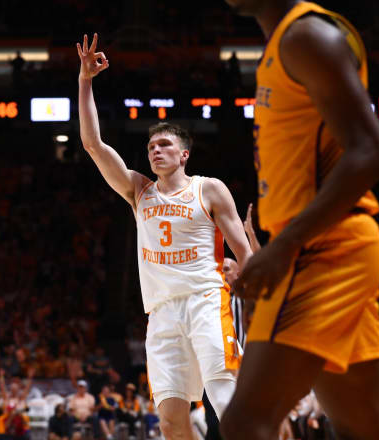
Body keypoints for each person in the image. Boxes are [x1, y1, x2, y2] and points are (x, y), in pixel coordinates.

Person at [220, 2, 379, 439]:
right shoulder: (285, 42)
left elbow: (371, 151)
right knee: (361, 428)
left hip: (321, 249)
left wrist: (281, 249)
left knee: (244, 424)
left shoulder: (306, 37)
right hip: (331, 244)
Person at [77, 33, 252, 440]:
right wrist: (86, 81)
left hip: (207, 301)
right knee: (171, 421)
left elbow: (243, 251)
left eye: (165, 144)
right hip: (162, 313)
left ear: (184, 154)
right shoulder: (139, 190)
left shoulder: (208, 188)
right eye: (151, 145)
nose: (156, 150)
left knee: (228, 404)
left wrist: (247, 275)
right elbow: (92, 144)